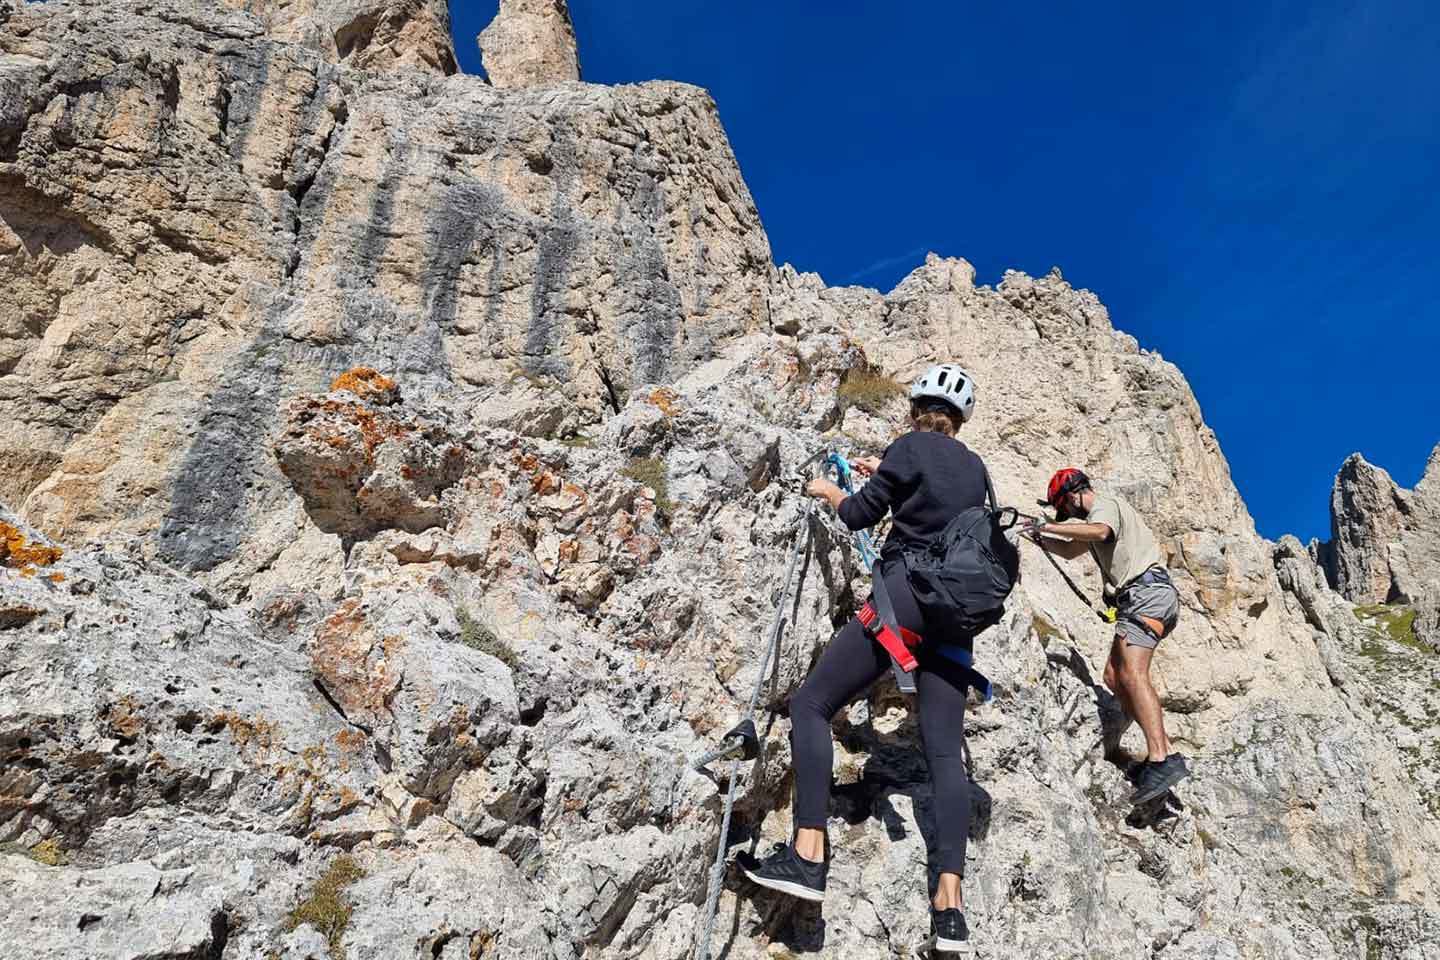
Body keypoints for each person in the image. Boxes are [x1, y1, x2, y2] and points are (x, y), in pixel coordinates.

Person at [739, 363, 989, 955]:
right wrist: (890, 477)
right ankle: (949, 911)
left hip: (905, 598)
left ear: (916, 410)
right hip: (956, 620)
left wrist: (832, 492)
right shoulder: (977, 470)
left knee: (812, 703)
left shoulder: (909, 445)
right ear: (959, 420)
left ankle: (807, 855)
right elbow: (938, 511)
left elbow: (859, 515)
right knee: (945, 756)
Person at [1024, 468, 1190, 804]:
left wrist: (1048, 525)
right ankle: (1161, 754)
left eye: (1065, 510)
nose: (1067, 515)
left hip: (1146, 594)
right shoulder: (1100, 513)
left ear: (1071, 496)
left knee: (1132, 673)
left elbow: (1099, 531)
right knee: (1114, 676)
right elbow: (1072, 550)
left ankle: (1162, 757)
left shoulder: (1105, 505)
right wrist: (1041, 537)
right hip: (1145, 598)